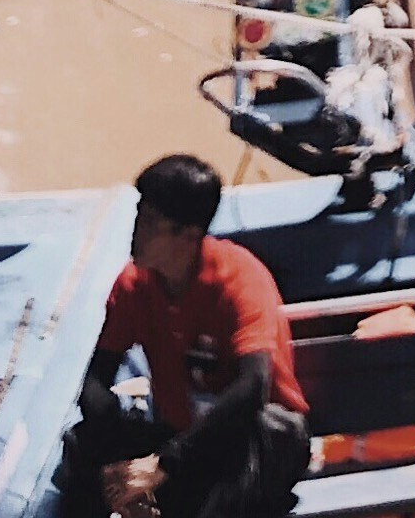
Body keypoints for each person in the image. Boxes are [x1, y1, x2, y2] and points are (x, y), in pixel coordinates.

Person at [63, 157, 310, 518]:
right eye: (138, 215)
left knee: (266, 432)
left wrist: (164, 463)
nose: (135, 231)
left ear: (190, 235)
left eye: (150, 222)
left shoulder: (240, 279)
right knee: (81, 443)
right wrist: (119, 456)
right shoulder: (134, 285)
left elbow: (252, 388)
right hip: (181, 436)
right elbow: (97, 377)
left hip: (253, 441)